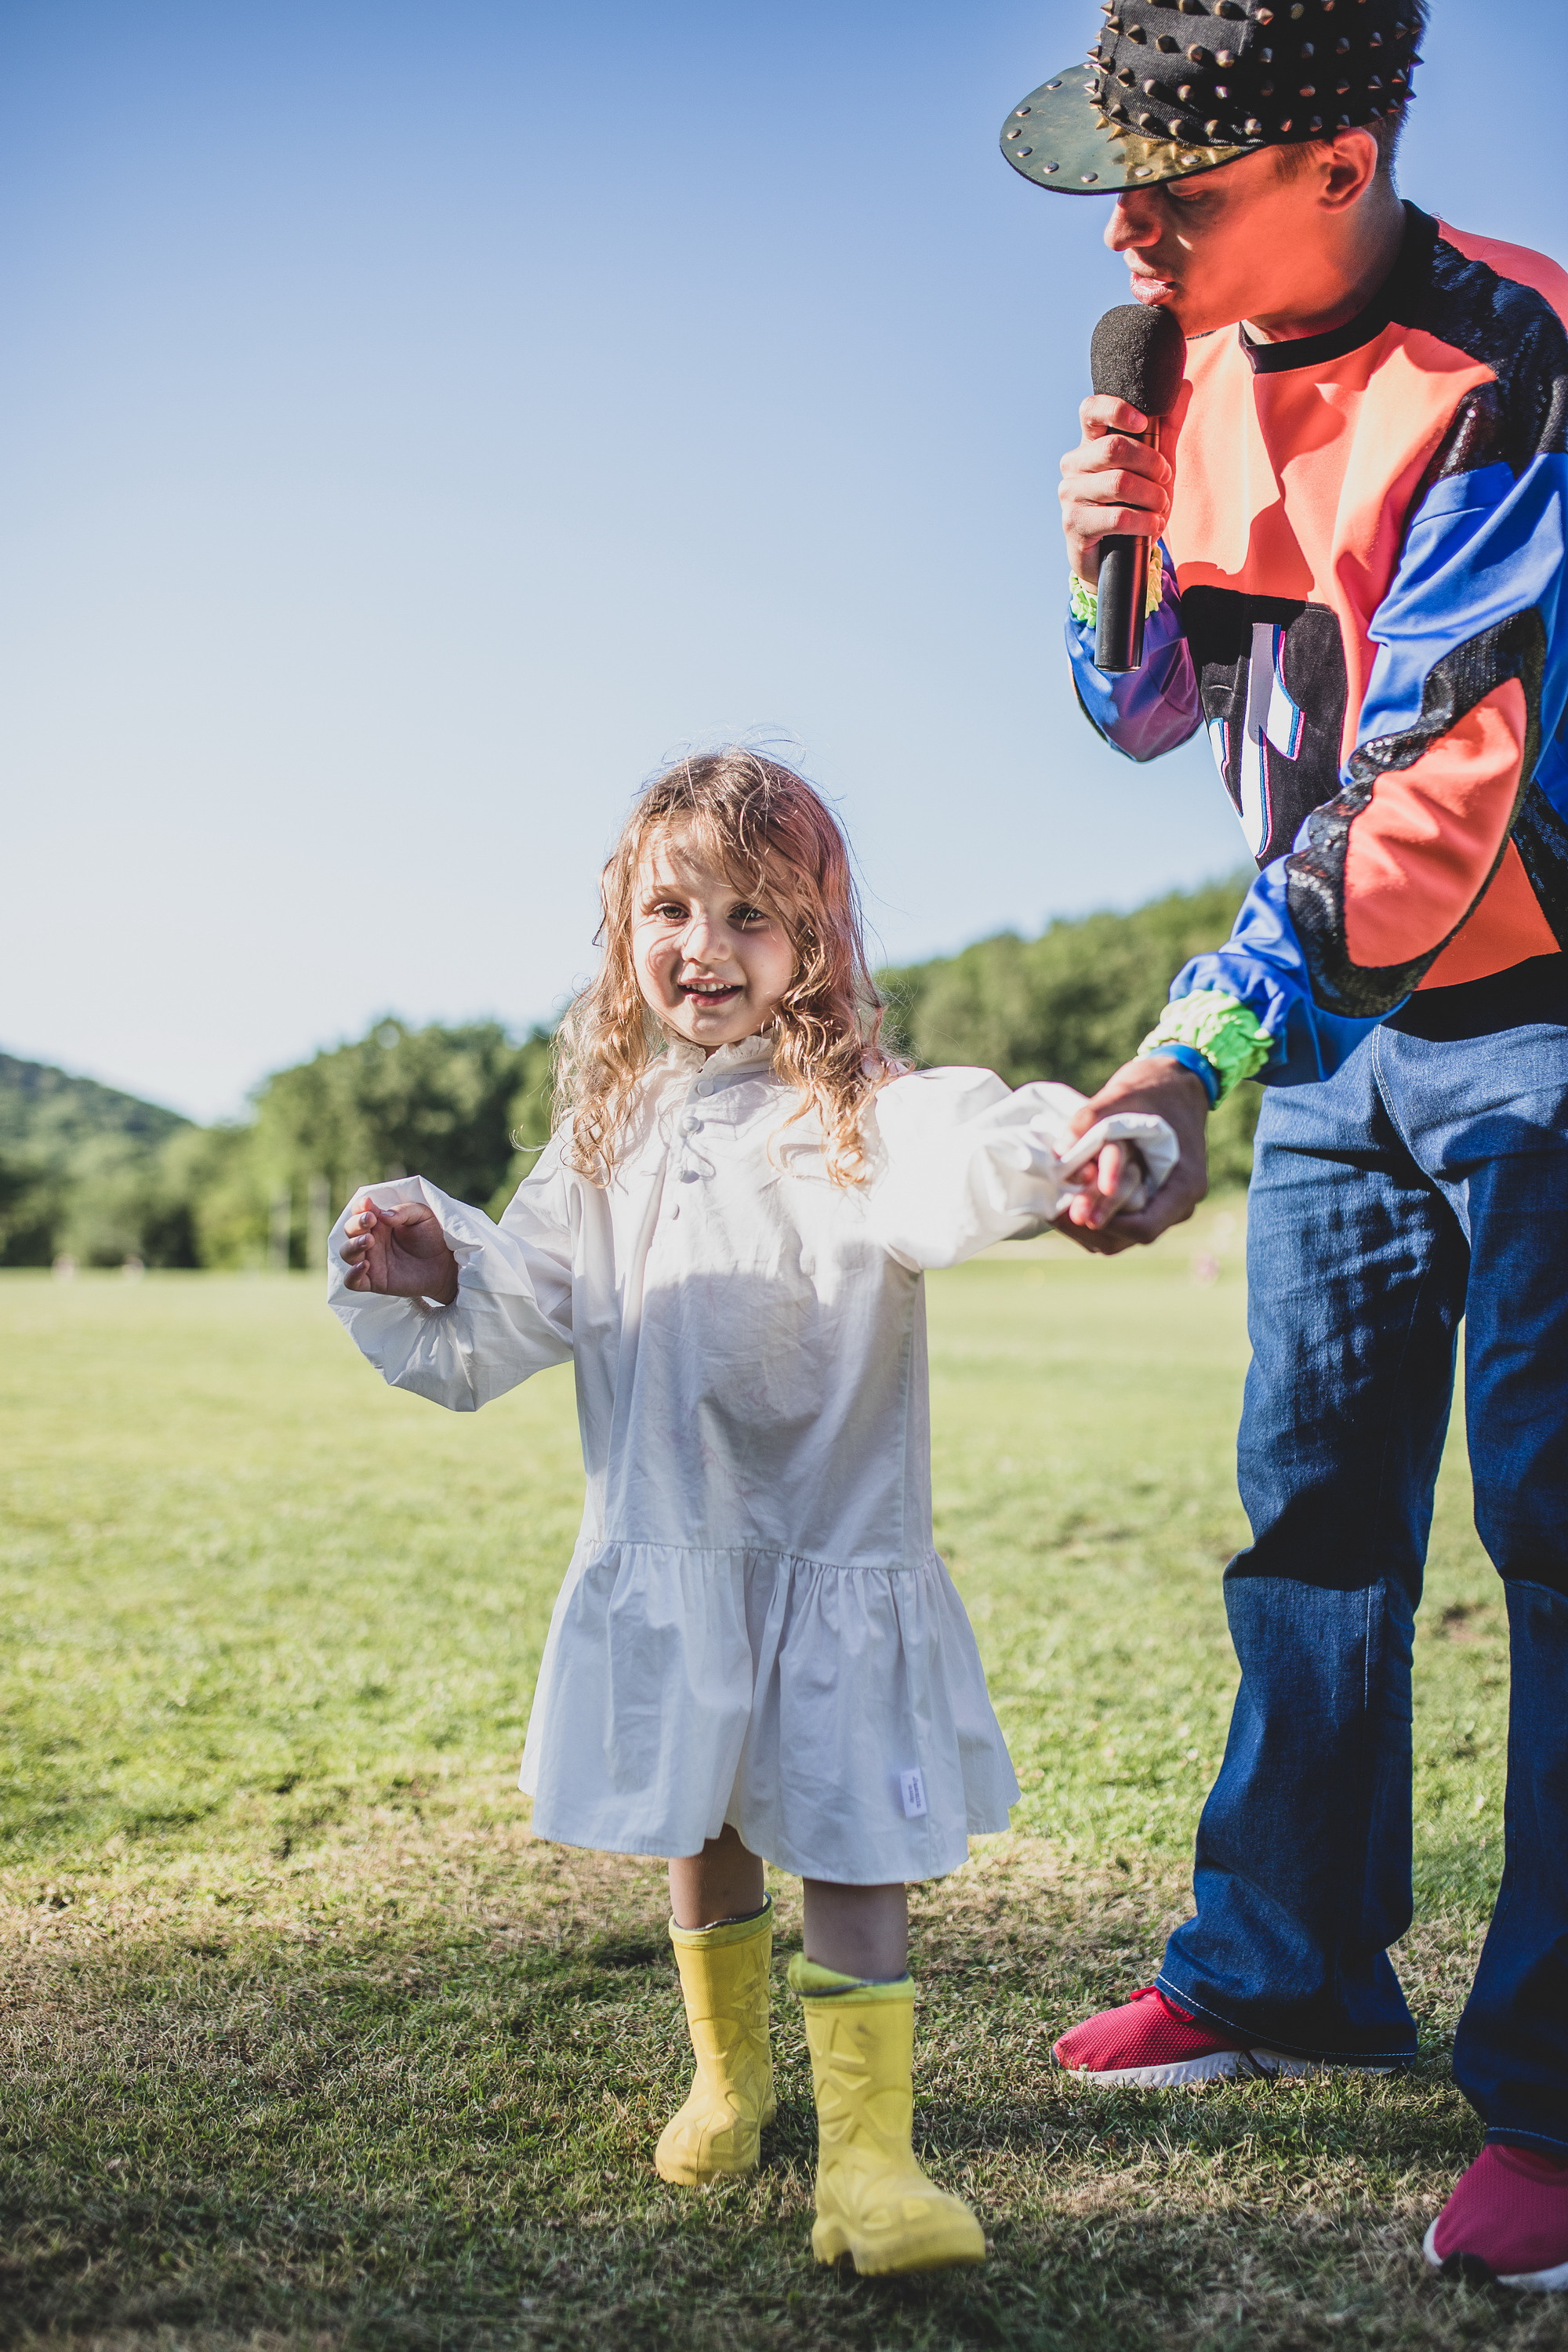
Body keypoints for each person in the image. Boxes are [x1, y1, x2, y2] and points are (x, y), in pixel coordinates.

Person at [1000, 0, 1568, 2292]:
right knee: (1312, 1519)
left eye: (1180, 190)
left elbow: (1423, 791)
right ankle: (1284, 1967)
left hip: (1535, 1027)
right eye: (1117, 183)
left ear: (1338, 161)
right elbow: (1153, 715)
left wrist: (1185, 1054)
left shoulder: (1516, 360)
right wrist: (1099, 562)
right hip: (1340, 1050)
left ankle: (1555, 2095)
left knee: (1557, 1541)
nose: (1127, 237)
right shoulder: (1189, 365)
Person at [326, 750, 1175, 2277]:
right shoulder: (609, 1132)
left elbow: (972, 1152)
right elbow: (528, 1297)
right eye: (671, 911)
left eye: (749, 914)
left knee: (846, 1832)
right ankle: (728, 2076)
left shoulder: (862, 1111)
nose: (703, 947)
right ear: (624, 928)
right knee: (702, 1812)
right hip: (676, 1531)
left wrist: (1073, 1153)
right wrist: (437, 1262)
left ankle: (870, 2160)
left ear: (815, 941)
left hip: (831, 1540)